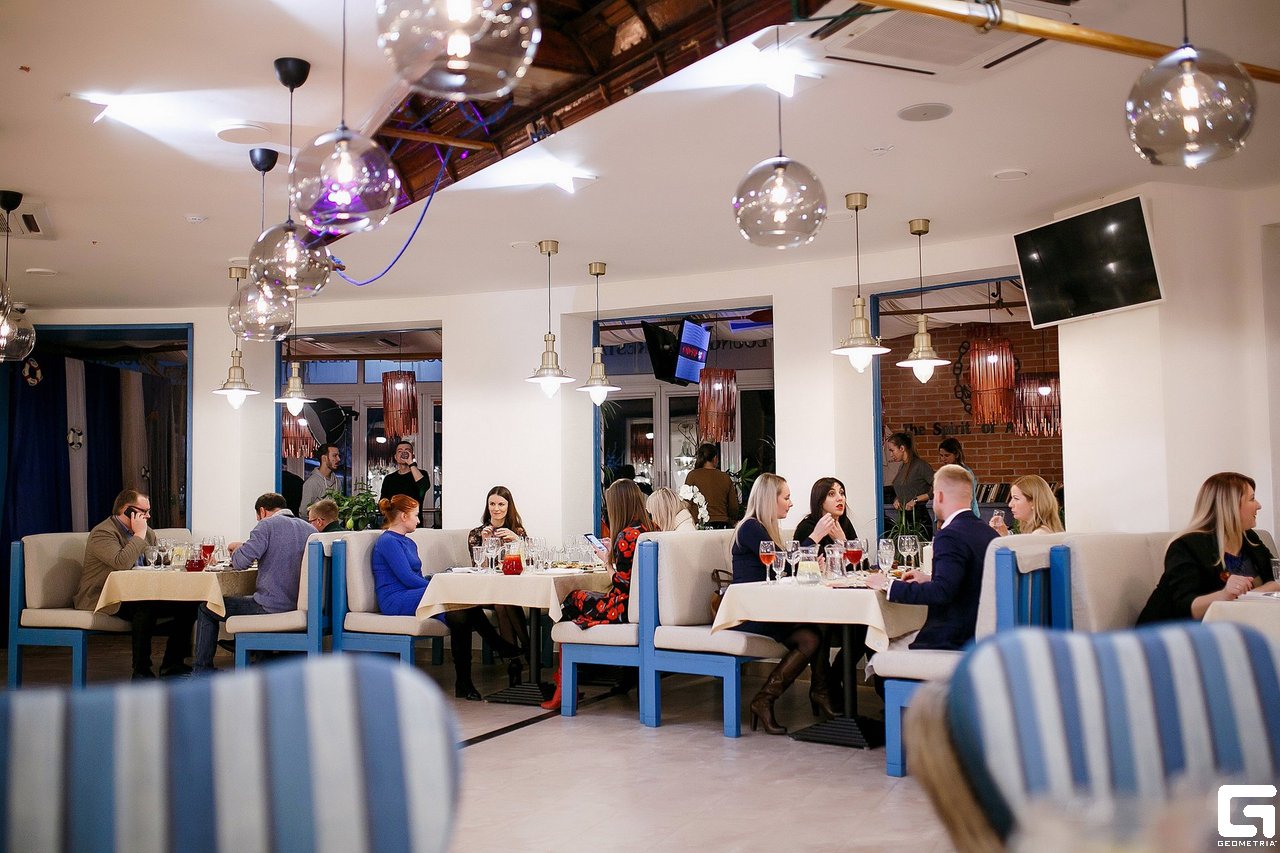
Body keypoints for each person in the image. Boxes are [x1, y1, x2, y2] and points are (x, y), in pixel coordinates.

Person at [373, 495, 521, 700]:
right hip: (395, 598)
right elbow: (406, 579)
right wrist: (441, 587)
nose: (419, 520)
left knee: (459, 616)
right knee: (458, 605)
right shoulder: (388, 541)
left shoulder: (409, 542)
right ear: (404, 516)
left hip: (415, 595)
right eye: (416, 516)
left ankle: (464, 682)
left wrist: (437, 582)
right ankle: (497, 645)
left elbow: (417, 578)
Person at [731, 473, 835, 734]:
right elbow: (783, 563)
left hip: (766, 609)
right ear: (770, 499)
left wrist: (810, 564)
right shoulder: (750, 528)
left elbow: (783, 571)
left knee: (819, 627)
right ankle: (766, 700)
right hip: (748, 613)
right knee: (811, 637)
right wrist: (815, 537)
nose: (791, 503)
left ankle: (818, 692)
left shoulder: (764, 529)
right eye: (786, 497)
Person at [543, 479, 651, 709]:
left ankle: (565, 684)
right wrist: (613, 552)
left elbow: (623, 583)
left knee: (571, 599)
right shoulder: (646, 530)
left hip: (623, 607)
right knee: (578, 600)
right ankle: (580, 676)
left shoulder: (626, 536)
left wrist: (607, 562)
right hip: (642, 605)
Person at [868, 464, 998, 650]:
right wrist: (929, 578)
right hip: (978, 635)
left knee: (880, 644)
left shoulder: (949, 535)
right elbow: (970, 579)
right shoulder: (988, 532)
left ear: (940, 496)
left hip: (950, 639)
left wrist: (888, 585)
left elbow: (941, 592)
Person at [74, 489, 196, 679]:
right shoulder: (103, 533)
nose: (148, 516)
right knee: (145, 606)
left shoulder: (147, 533)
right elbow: (121, 562)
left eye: (148, 511)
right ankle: (141, 670)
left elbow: (159, 561)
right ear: (127, 510)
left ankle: (172, 663)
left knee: (189, 604)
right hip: (103, 597)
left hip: (138, 594)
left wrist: (183, 558)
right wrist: (139, 534)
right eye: (143, 511)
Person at [193, 492, 315, 674]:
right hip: (299, 607)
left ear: (262, 511)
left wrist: (238, 548)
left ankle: (202, 671)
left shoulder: (267, 525)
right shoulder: (310, 530)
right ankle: (262, 662)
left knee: (208, 607)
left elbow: (240, 562)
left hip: (271, 607)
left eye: (258, 517)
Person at [1137, 472, 1279, 624]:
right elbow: (1184, 607)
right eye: (1252, 499)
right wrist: (1224, 595)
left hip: (1232, 627)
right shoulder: (1186, 546)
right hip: (1173, 632)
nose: (1259, 505)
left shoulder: (1249, 538)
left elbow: (1276, 579)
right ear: (1229, 506)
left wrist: (1250, 595)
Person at [466, 486, 531, 683]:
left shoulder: (517, 531)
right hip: (486, 591)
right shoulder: (476, 533)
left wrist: (517, 541)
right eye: (492, 504)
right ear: (487, 506)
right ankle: (529, 651)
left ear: (509, 506)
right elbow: (480, 568)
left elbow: (529, 564)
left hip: (511, 591)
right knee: (502, 601)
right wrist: (486, 543)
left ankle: (515, 660)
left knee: (503, 603)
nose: (496, 508)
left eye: (501, 504)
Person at [886, 432, 935, 539]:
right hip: (905, 520)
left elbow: (938, 487)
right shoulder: (902, 467)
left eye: (892, 450)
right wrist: (897, 499)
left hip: (919, 521)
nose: (891, 454)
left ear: (902, 448)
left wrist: (916, 500)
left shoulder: (921, 465)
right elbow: (905, 489)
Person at [683, 443, 739, 529]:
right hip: (721, 524)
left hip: (699, 524)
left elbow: (686, 504)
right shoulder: (725, 477)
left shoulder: (692, 475)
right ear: (715, 458)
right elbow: (733, 508)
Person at [794, 477, 858, 548]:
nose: (840, 498)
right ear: (820, 500)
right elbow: (804, 553)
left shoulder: (844, 522)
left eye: (841, 493)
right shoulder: (806, 527)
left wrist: (842, 540)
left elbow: (860, 553)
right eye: (831, 494)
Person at [990, 475, 1064, 536]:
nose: (1010, 504)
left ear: (1034, 502)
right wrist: (1004, 534)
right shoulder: (1041, 531)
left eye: (1016, 498)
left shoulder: (1040, 535)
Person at [380, 440, 431, 511]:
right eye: (399, 451)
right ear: (395, 457)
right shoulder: (389, 478)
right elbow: (382, 502)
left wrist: (410, 462)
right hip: (393, 517)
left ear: (412, 456)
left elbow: (424, 486)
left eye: (407, 451)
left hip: (413, 517)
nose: (403, 453)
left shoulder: (421, 473)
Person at [938, 437, 980, 517]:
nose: (943, 459)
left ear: (956, 454)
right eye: (941, 455)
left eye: (947, 455)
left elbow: (968, 499)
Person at [300, 443, 342, 512]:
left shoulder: (337, 482)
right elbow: (304, 512)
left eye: (338, 456)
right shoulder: (312, 482)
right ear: (324, 458)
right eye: (334, 456)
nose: (338, 459)